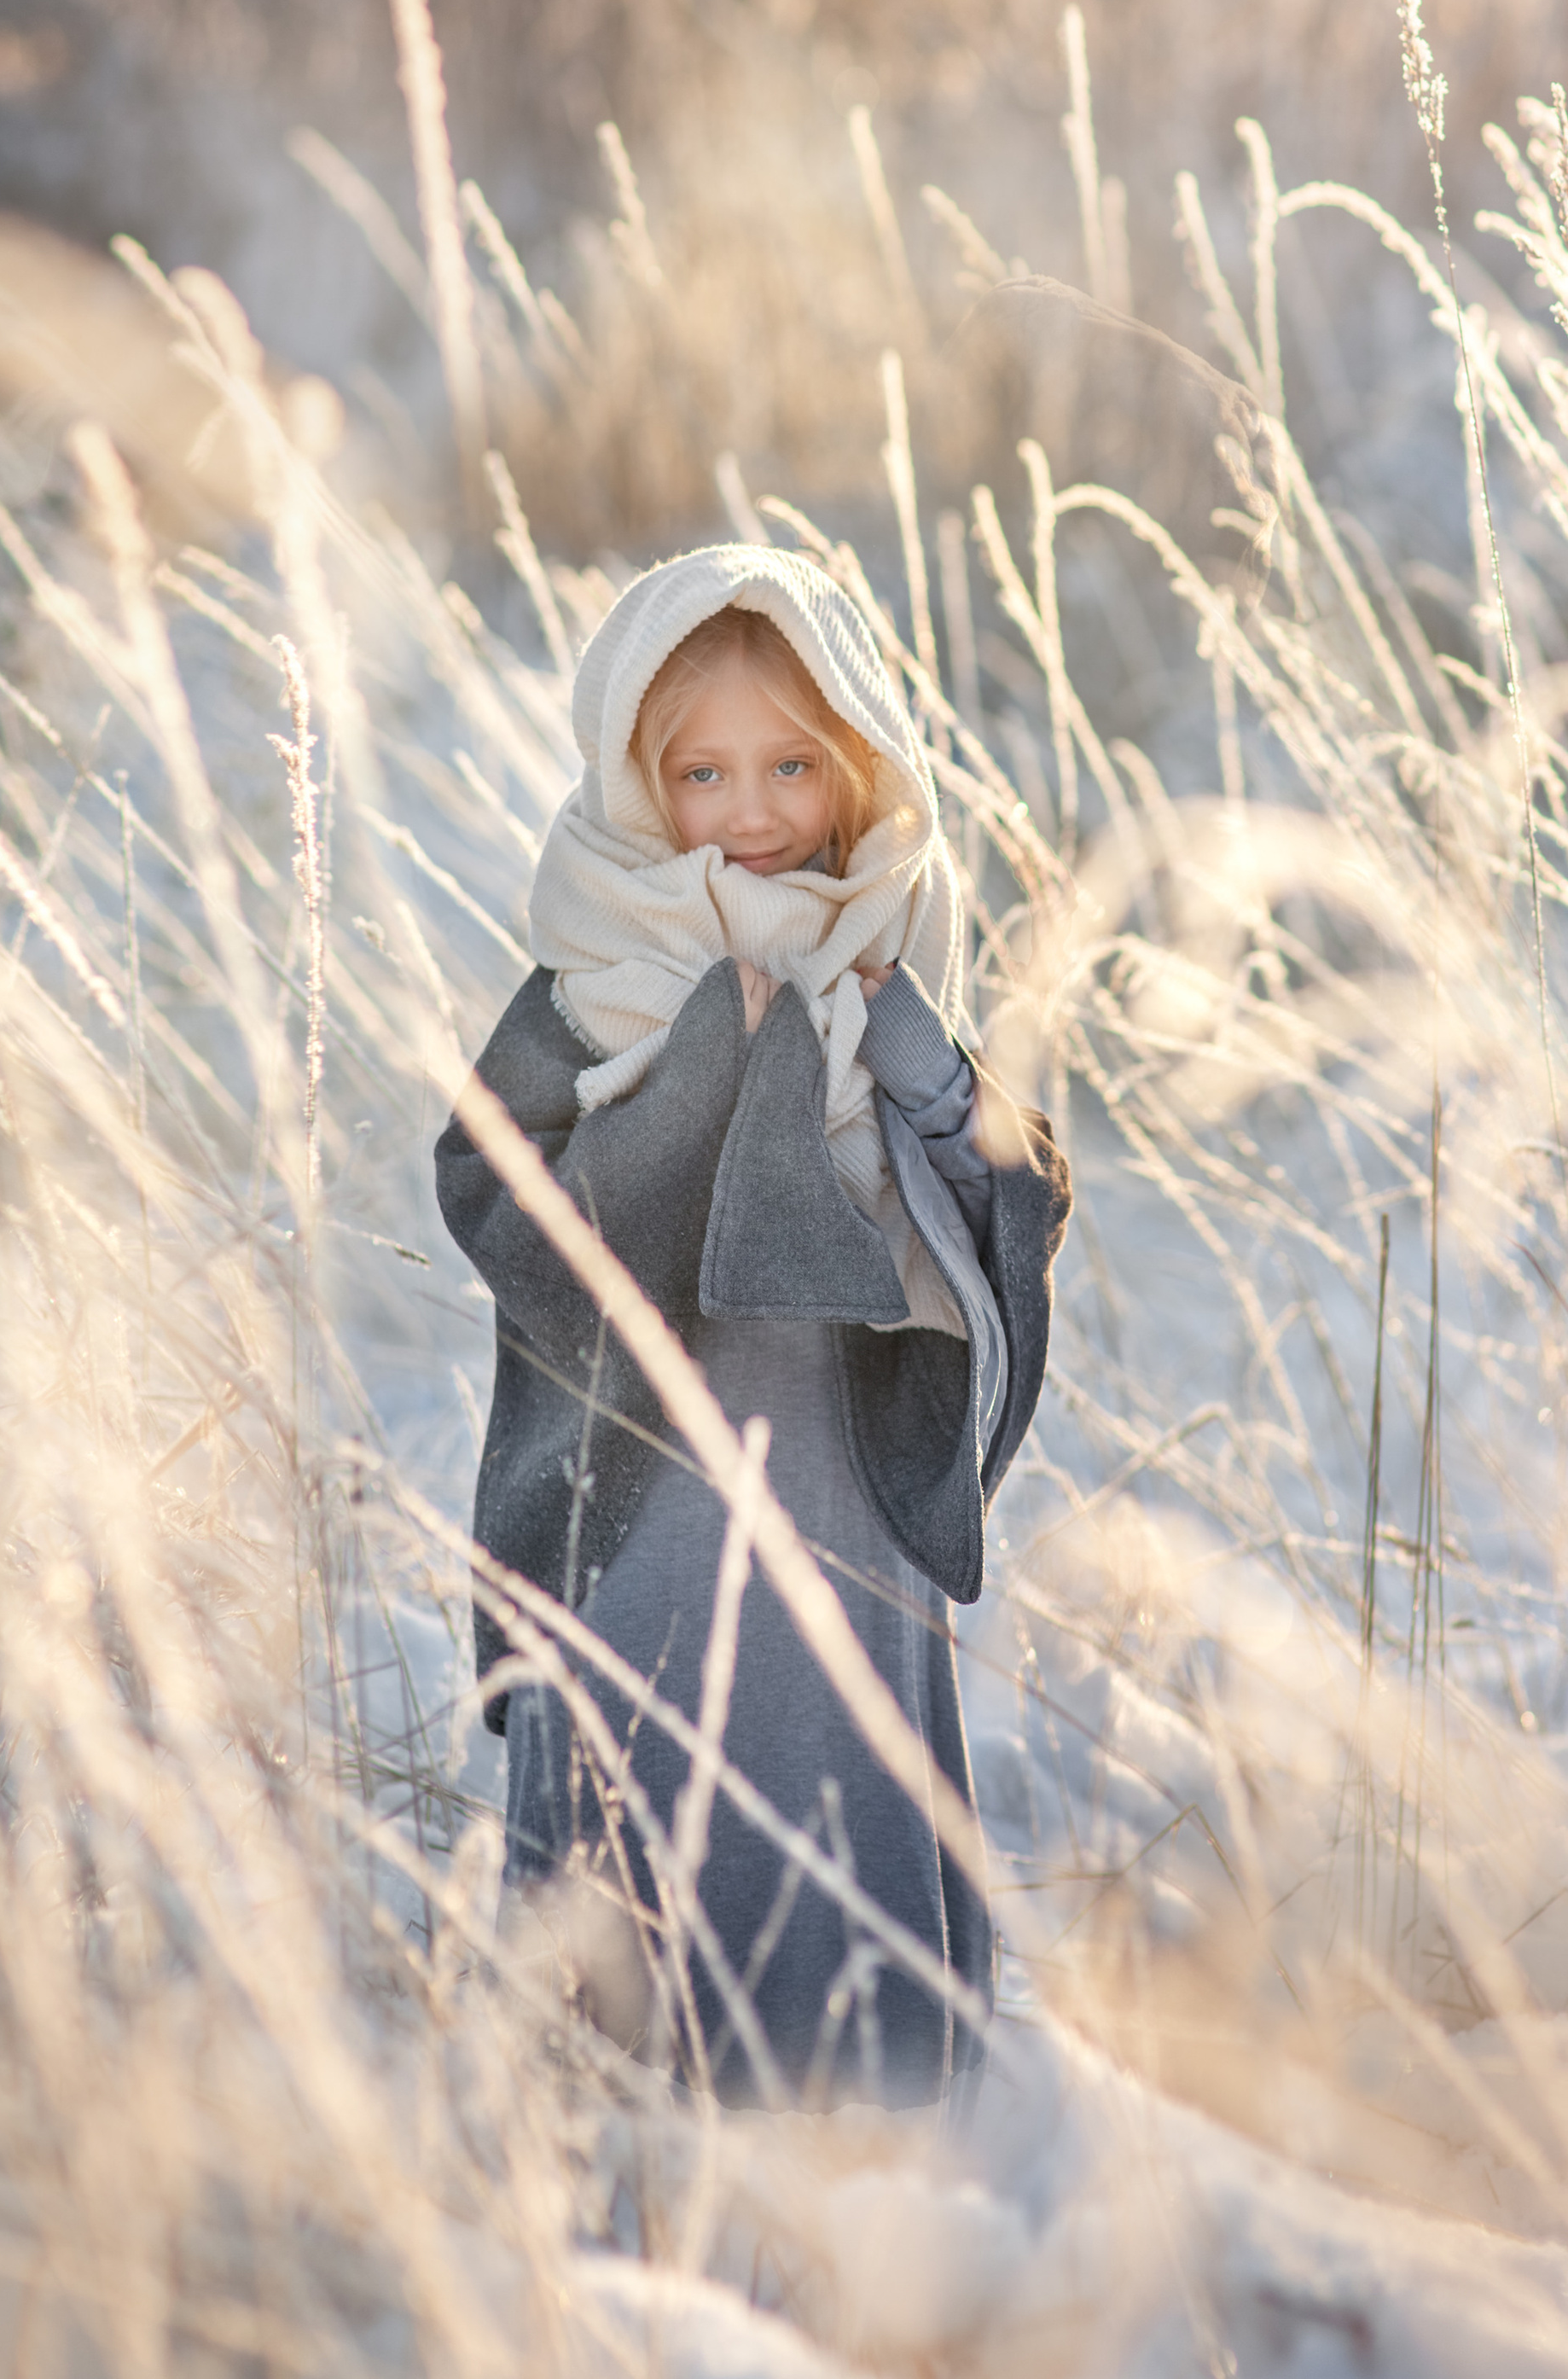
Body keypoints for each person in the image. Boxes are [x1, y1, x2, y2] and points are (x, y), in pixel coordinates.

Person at [435, 543, 1069, 2110]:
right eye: (705, 771)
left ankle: (873, 2095)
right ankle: (619, 2070)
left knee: (829, 1760)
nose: (758, 810)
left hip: (835, 1479)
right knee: (656, 1754)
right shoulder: (597, 978)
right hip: (649, 1483)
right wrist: (726, 1043)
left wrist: (895, 1037)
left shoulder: (885, 952)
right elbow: (500, 1195)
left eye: (795, 762)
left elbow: (1011, 1184)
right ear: (643, 784)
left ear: (857, 756)